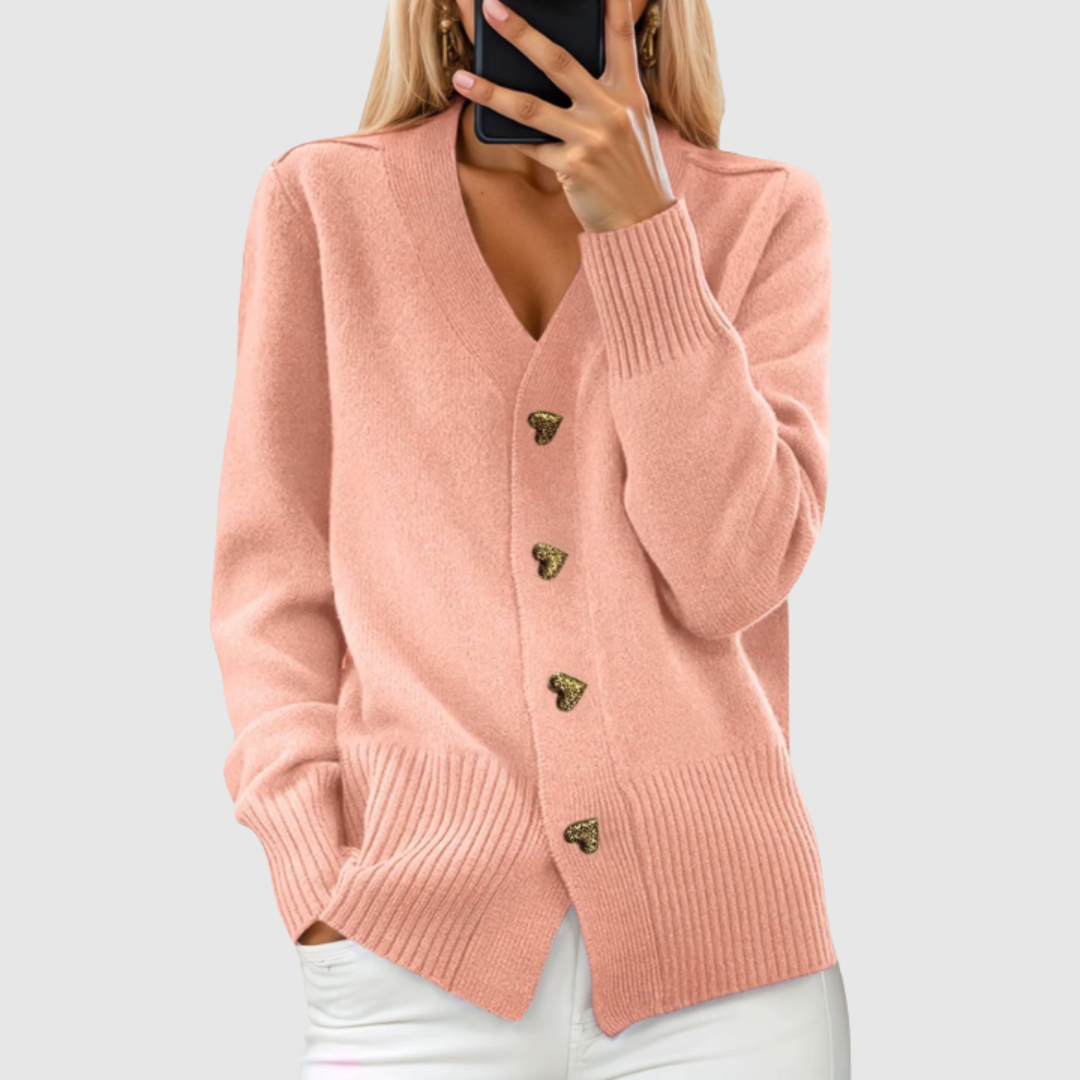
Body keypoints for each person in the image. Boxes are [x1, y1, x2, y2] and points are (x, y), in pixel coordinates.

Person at [209, 0, 850, 1075]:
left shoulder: (764, 212)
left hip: (728, 973)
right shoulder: (322, 202)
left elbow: (735, 576)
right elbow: (272, 580)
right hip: (411, 951)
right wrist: (312, 872)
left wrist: (643, 232)